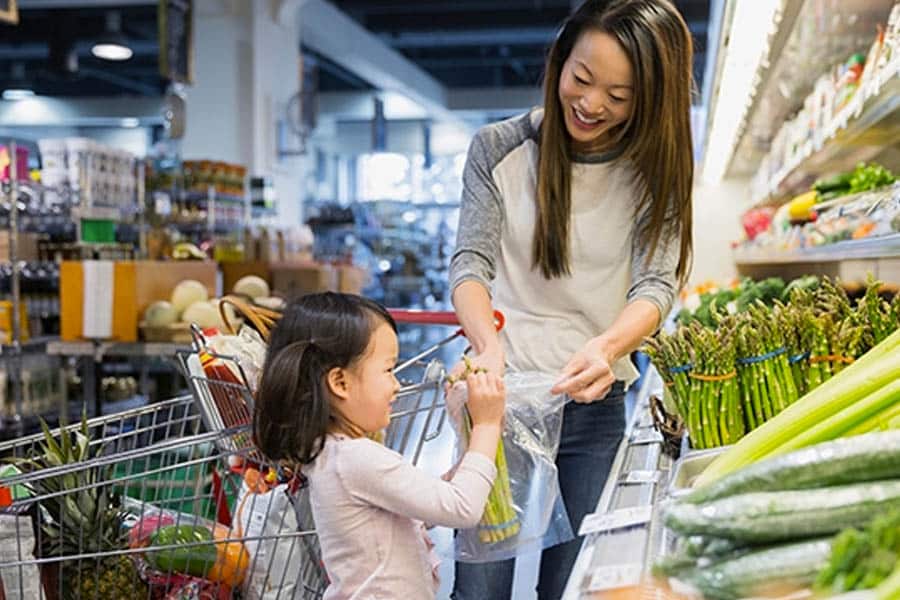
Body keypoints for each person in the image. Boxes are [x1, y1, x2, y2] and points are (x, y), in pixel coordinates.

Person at [448, 0, 694, 597]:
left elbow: (656, 285)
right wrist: (488, 345)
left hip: (595, 401)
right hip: (497, 403)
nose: (590, 104)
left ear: (651, 97)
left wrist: (607, 348)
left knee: (575, 585)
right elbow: (471, 262)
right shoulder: (499, 148)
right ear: (560, 59)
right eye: (581, 78)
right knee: (481, 587)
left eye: (620, 94)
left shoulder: (652, 169)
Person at [253, 292, 507, 600]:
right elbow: (461, 508)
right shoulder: (356, 459)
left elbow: (423, 505)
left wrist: (470, 442)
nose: (397, 384)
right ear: (340, 383)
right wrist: (486, 426)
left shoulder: (336, 453)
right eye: (388, 370)